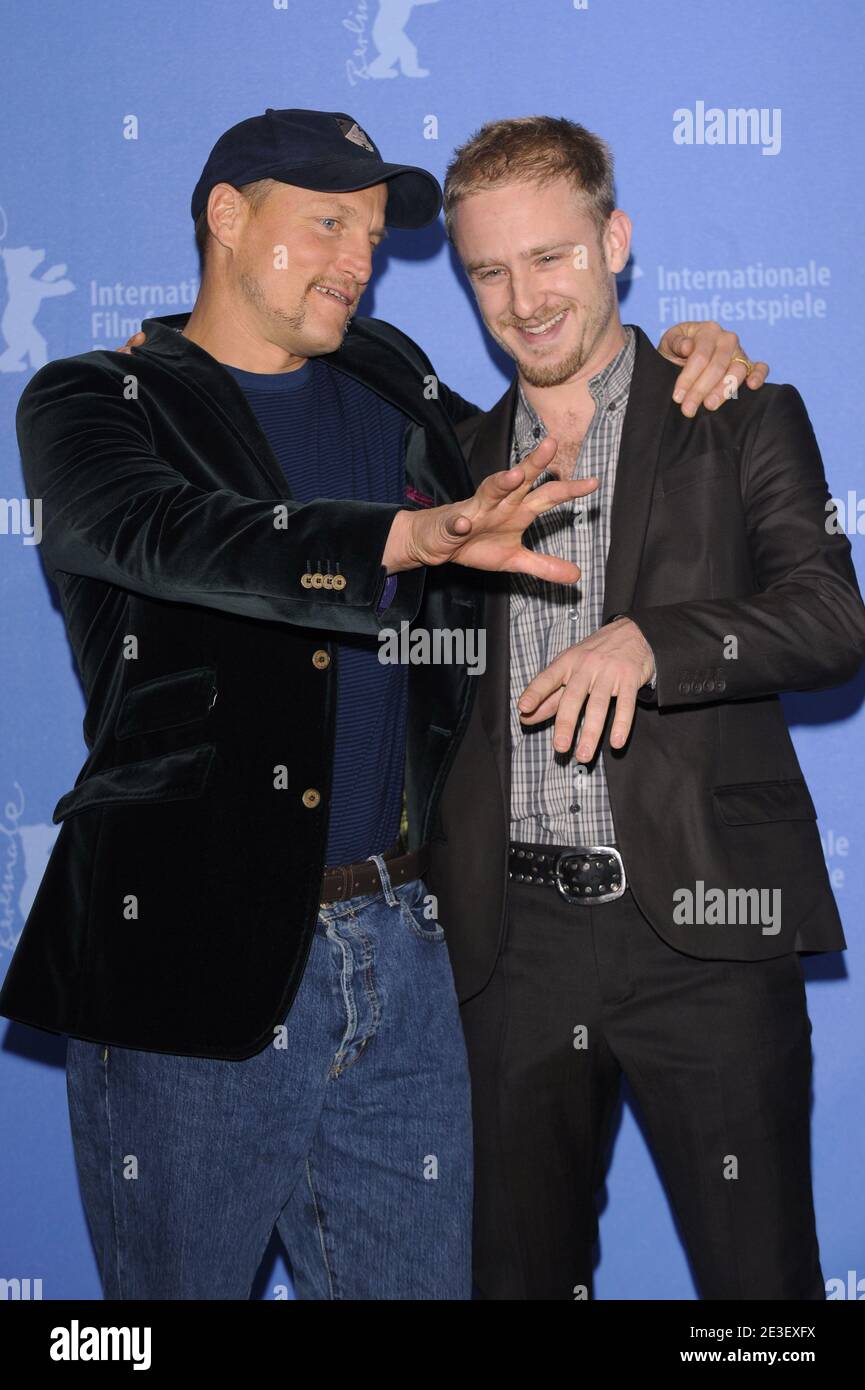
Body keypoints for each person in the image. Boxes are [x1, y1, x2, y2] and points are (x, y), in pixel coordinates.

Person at [0, 106, 764, 1301]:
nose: (360, 259)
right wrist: (401, 537)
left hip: (405, 957)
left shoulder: (388, 371)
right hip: (190, 953)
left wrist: (677, 362)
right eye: (328, 224)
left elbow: (543, 432)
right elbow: (165, 533)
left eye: (372, 234)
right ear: (225, 216)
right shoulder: (95, 400)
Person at [428, 114, 865, 1300]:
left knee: (759, 1296)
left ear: (613, 241)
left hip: (706, 935)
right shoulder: (446, 469)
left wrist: (655, 644)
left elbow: (833, 617)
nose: (522, 298)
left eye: (550, 256)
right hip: (507, 952)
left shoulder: (735, 413)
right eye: (488, 270)